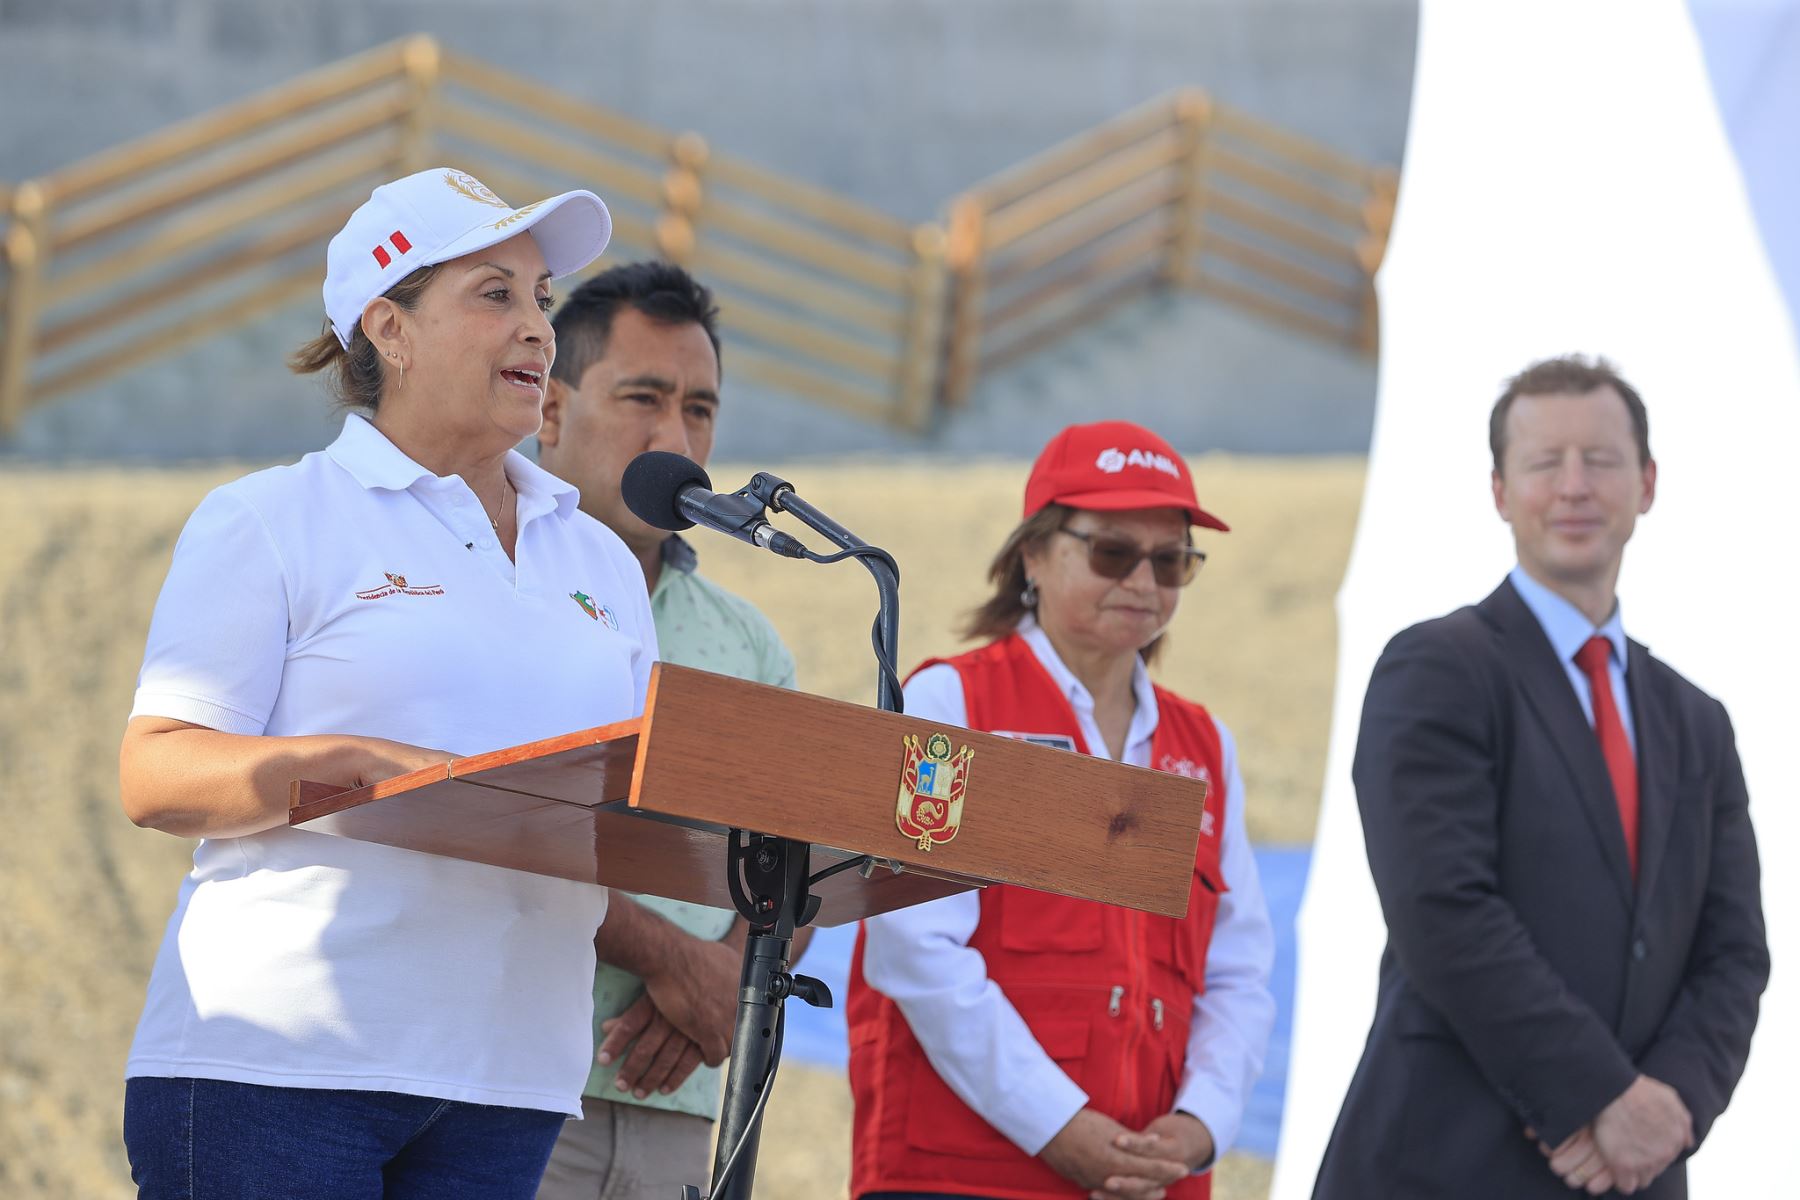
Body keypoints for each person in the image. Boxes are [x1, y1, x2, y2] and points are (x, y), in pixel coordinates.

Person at [117, 167, 653, 1198]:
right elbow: (157, 776)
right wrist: (358, 769)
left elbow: (629, 797)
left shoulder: (597, 564)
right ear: (389, 329)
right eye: (494, 294)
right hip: (280, 1065)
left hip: (508, 1077)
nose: (538, 330)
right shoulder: (272, 519)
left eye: (543, 299)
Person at [1312, 356, 1769, 1198]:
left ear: (1648, 482)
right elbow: (1443, 910)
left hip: (1637, 1173)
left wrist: (1669, 1107)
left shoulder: (1697, 720)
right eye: (1542, 463)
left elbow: (1734, 952)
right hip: (1448, 1162)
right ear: (1497, 491)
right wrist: (1601, 1097)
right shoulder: (1439, 669)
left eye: (1600, 459)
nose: (1574, 487)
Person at [847, 421, 1276, 1200]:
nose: (1145, 582)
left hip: (1153, 1177)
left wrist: (1201, 1125)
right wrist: (1059, 1125)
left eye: (1173, 560)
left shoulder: (1207, 745)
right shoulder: (949, 702)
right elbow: (914, 950)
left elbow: (1240, 971)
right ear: (1033, 556)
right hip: (959, 1175)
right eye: (1113, 552)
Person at [532, 261, 804, 1198]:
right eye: (642, 397)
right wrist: (672, 959)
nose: (675, 437)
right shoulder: (493, 591)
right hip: (506, 1088)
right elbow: (491, 827)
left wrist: (727, 979)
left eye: (700, 409)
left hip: (684, 1100)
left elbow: (798, 859)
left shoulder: (746, 641)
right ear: (550, 413)